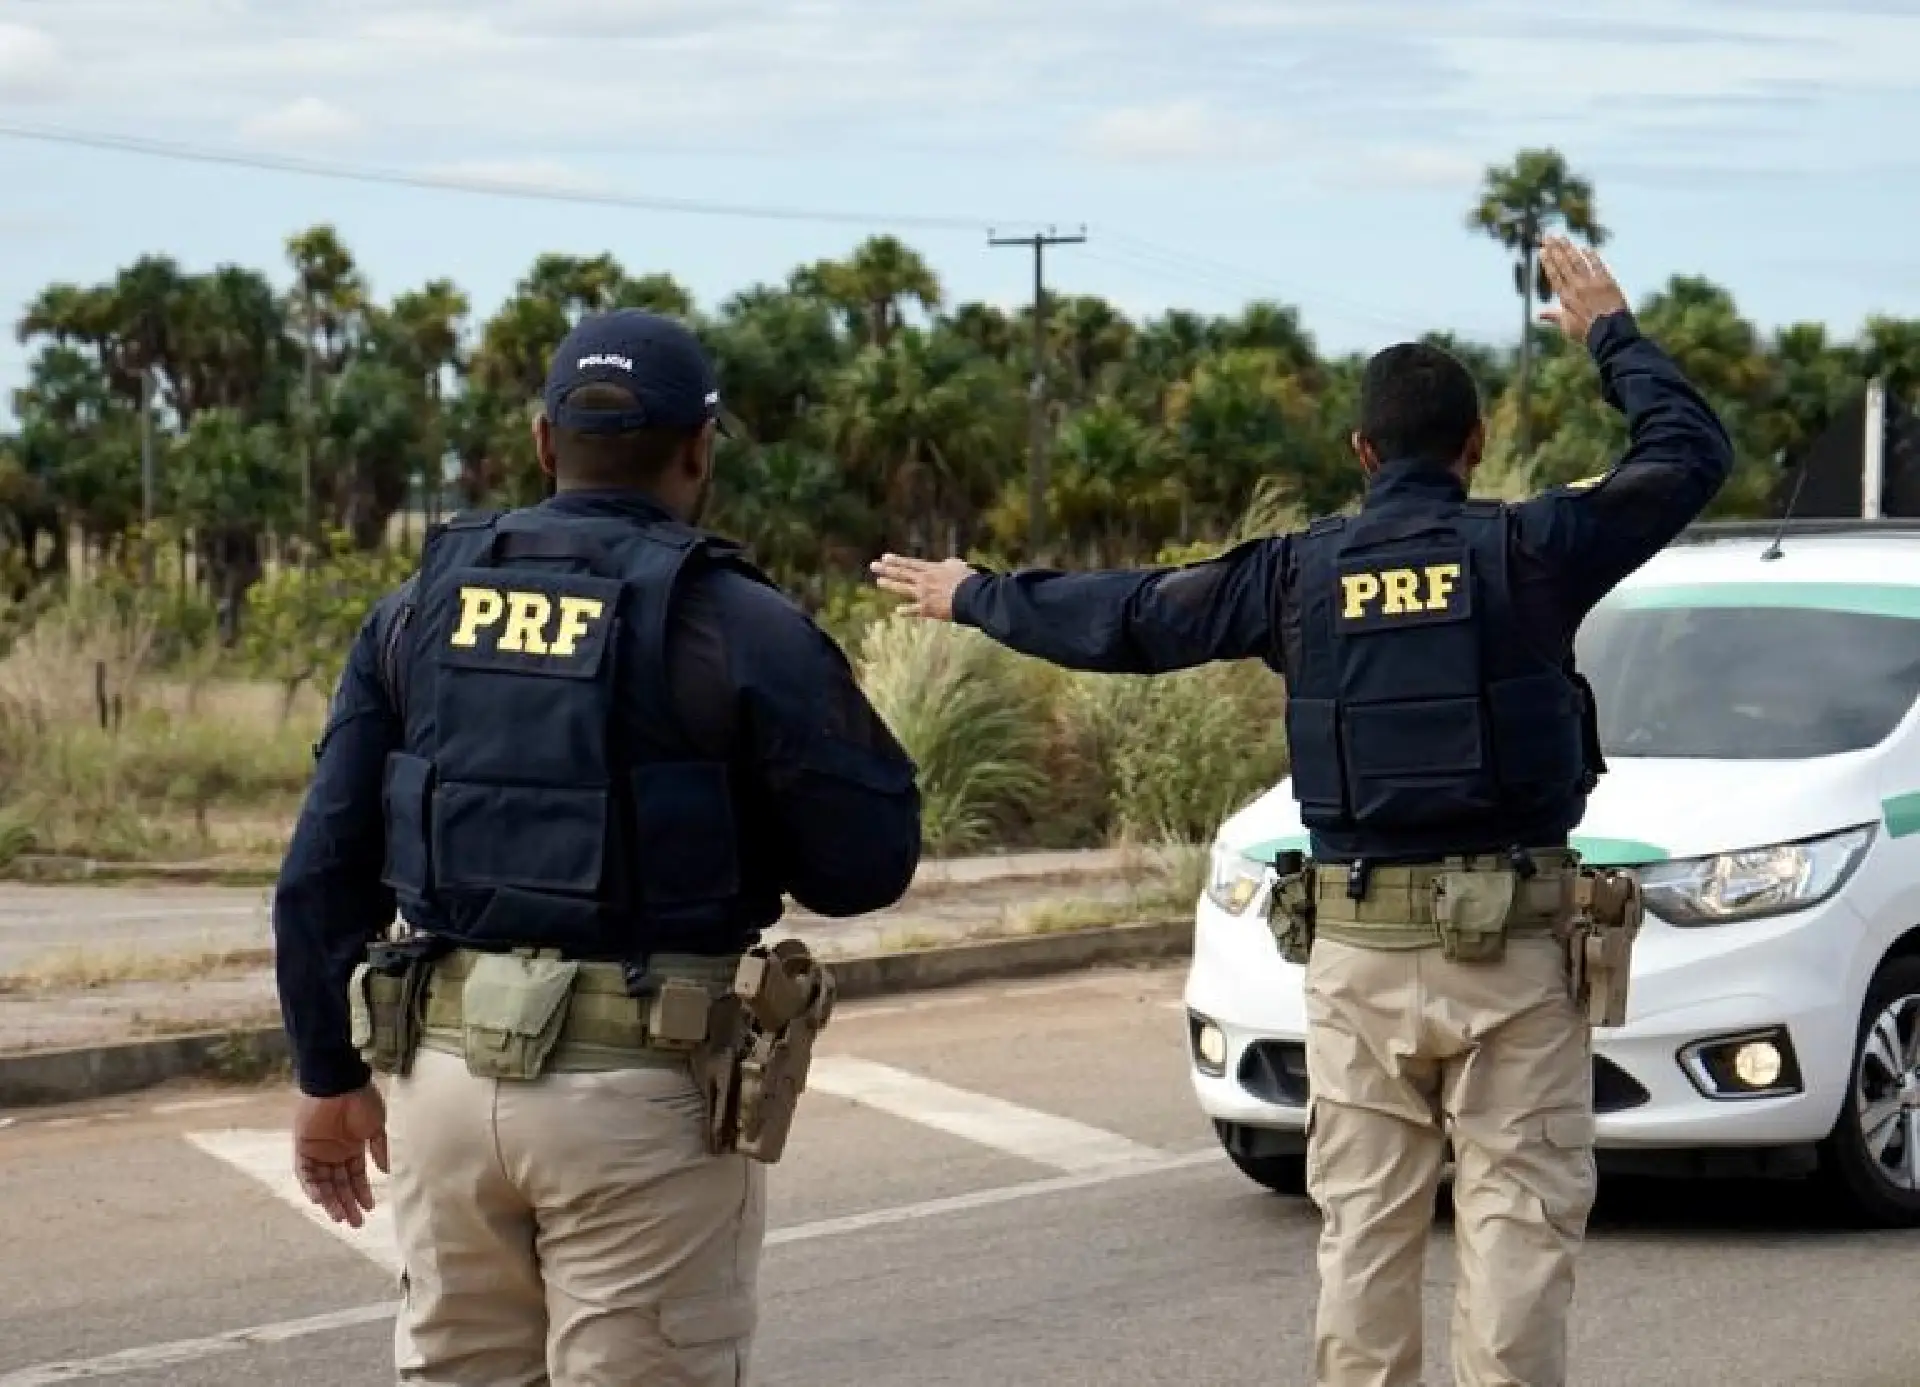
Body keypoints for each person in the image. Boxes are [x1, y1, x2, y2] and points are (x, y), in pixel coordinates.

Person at [871, 238, 1733, 1387]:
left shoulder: (1294, 575)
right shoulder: (1530, 548)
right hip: (1516, 956)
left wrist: (978, 594)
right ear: (1473, 450)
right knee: (1517, 1226)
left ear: (1361, 452)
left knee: (1367, 1232)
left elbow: (1132, 618)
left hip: (1359, 958)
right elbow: (1686, 454)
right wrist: (1612, 332)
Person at [274, 308, 923, 1386]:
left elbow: (323, 862)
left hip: (437, 1087)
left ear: (543, 442)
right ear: (699, 448)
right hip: (639, 1093)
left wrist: (325, 1071)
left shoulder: (416, 611)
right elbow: (866, 863)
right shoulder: (741, 624)